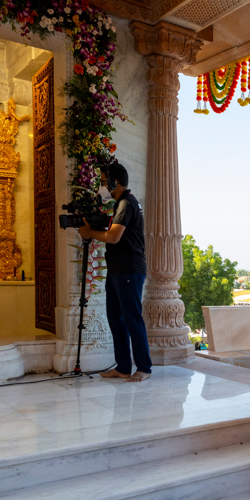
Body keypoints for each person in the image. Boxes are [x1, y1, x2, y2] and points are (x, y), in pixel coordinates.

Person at [79, 162, 151, 382]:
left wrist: (90, 232)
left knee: (131, 318)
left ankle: (144, 368)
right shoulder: (121, 203)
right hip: (118, 270)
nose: (102, 187)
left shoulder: (126, 203)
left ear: (114, 182)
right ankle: (122, 366)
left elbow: (113, 237)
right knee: (116, 318)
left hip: (129, 269)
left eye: (103, 182)